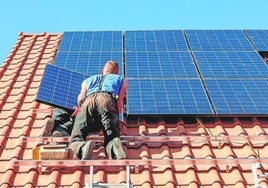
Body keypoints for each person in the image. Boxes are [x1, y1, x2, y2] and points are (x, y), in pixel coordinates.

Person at [68, 60, 128, 160]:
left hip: (88, 100)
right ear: (116, 72)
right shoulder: (122, 80)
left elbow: (80, 99)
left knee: (77, 134)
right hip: (107, 99)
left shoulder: (87, 80)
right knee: (111, 135)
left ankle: (82, 148)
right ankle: (115, 149)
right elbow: (119, 104)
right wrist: (114, 120)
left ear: (102, 71)